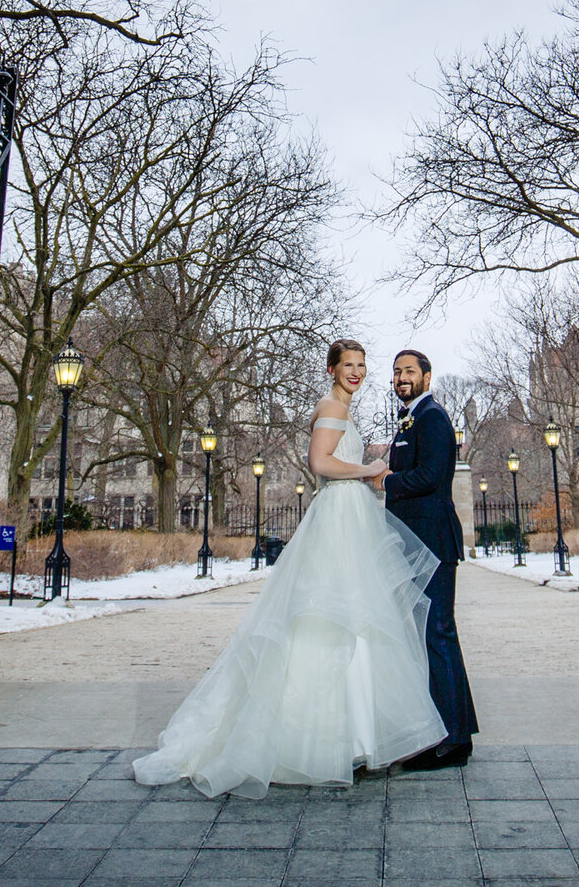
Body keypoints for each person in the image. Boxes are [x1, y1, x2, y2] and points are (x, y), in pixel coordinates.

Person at [130, 340, 445, 796]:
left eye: (361, 366)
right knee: (328, 620)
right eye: (348, 366)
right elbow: (321, 462)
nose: (356, 373)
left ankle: (353, 737)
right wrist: (366, 469)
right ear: (333, 369)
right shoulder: (331, 405)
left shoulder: (342, 408)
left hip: (349, 517)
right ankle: (314, 740)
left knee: (356, 621)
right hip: (338, 519)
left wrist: (368, 465)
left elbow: (335, 458)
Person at [381, 348, 478, 769]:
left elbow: (431, 477)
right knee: (432, 635)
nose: (402, 377)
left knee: (438, 633)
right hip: (415, 544)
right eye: (397, 372)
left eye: (410, 371)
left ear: (427, 376)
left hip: (433, 543)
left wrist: (385, 479)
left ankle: (453, 741)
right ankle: (450, 731)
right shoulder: (410, 419)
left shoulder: (434, 418)